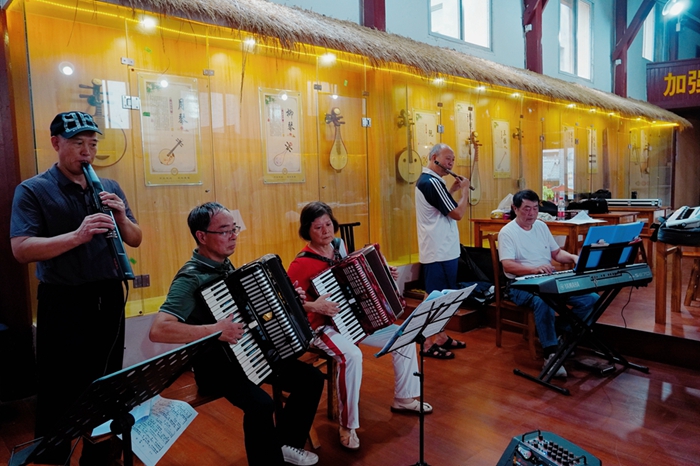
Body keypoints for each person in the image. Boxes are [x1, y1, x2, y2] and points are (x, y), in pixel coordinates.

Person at [10, 111, 143, 464]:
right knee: (59, 387)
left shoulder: (109, 186)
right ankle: (54, 457)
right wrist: (78, 236)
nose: (87, 152)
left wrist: (121, 217)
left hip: (109, 296)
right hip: (64, 300)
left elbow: (135, 238)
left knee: (107, 382)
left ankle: (99, 458)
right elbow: (21, 249)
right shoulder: (33, 189)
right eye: (77, 143)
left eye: (93, 144)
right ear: (56, 143)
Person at [149, 202, 323, 466]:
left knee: (310, 379)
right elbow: (159, 329)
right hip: (215, 367)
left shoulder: (225, 266)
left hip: (250, 354)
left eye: (234, 229)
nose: (233, 236)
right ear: (201, 236)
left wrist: (288, 300)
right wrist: (213, 330)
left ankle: (285, 445)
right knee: (261, 405)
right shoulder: (190, 279)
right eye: (224, 231)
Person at [287, 201, 431, 451]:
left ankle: (404, 398)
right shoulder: (300, 264)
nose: (325, 231)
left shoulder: (340, 248)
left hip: (353, 319)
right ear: (307, 231)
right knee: (352, 355)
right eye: (318, 227)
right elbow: (287, 305)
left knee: (404, 336)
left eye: (328, 224)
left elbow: (359, 279)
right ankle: (347, 425)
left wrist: (385, 273)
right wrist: (314, 306)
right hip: (321, 327)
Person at [498, 189, 598, 377]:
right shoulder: (508, 232)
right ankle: (550, 354)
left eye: (535, 208)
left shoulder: (541, 226)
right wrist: (534, 270)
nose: (531, 213)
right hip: (520, 284)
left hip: (547, 278)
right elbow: (508, 265)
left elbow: (556, 253)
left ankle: (562, 333)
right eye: (526, 209)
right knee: (543, 300)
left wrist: (573, 257)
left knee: (591, 299)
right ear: (515, 208)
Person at [415, 143, 471, 359]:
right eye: (448, 158)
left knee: (442, 297)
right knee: (434, 298)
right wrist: (465, 191)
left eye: (453, 159)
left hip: (442, 249)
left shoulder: (433, 182)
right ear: (434, 157)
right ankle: (427, 342)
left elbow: (438, 207)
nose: (451, 163)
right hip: (438, 250)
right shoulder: (431, 181)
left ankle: (440, 335)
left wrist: (453, 191)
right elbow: (457, 214)